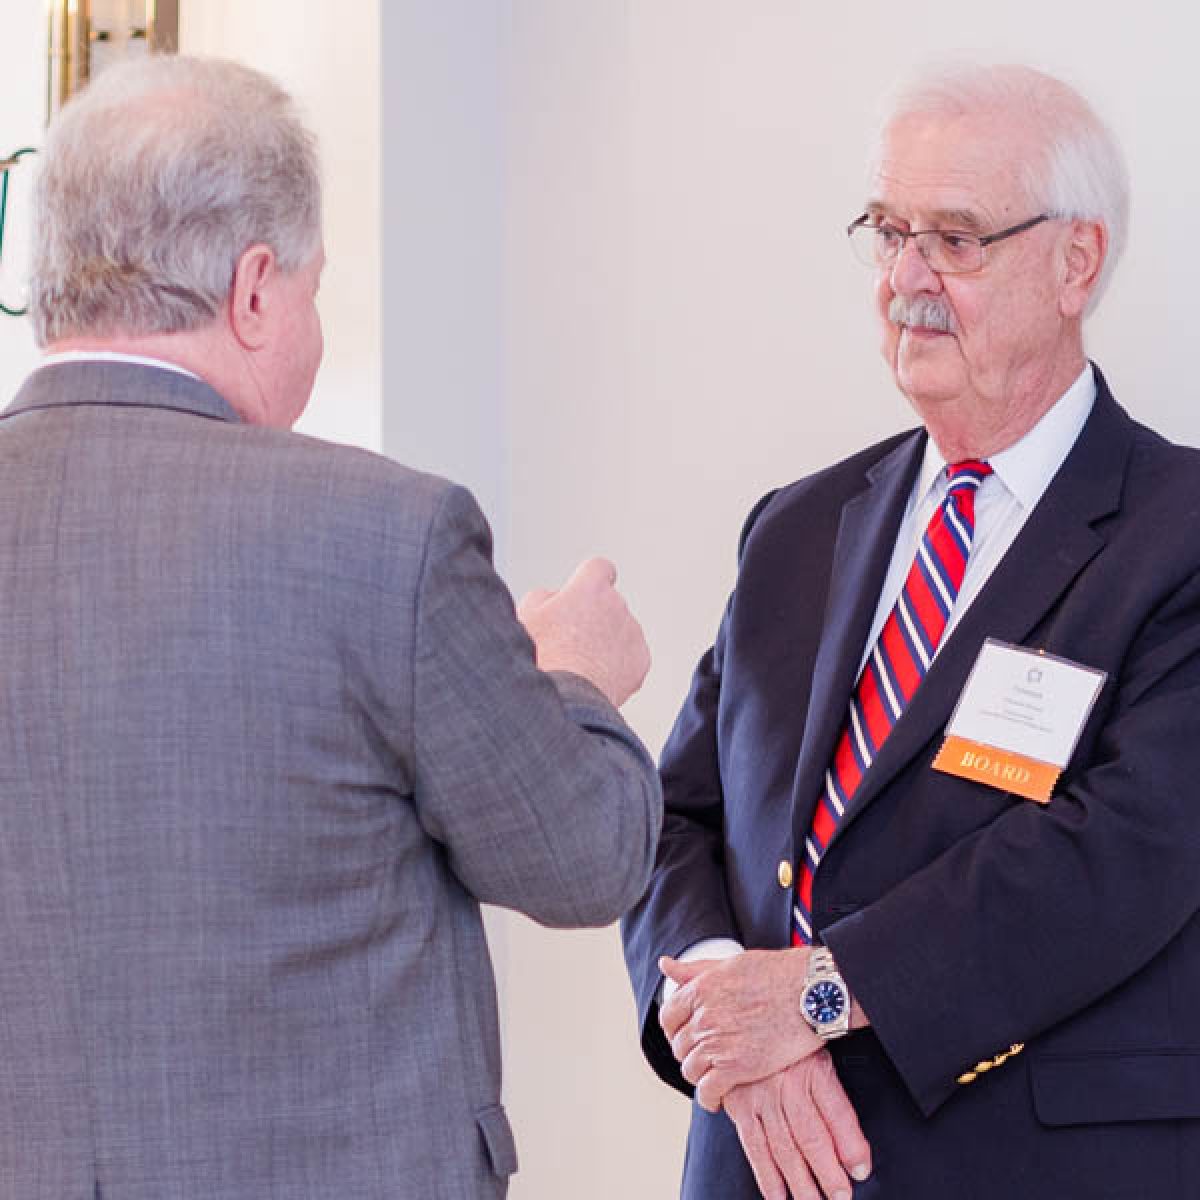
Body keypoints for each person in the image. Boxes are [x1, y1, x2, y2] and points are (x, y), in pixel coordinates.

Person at [2, 54, 661, 1200]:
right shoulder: (385, 537)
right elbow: (582, 858)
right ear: (255, 291)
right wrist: (572, 678)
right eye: (314, 289)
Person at [623, 62, 1200, 1200]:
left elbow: (1122, 854)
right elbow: (675, 817)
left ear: (1076, 262)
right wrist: (732, 1009)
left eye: (956, 240)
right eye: (889, 233)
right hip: (760, 1164)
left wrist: (816, 997)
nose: (904, 280)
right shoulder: (795, 526)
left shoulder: (1175, 532)